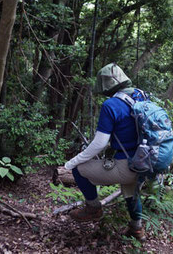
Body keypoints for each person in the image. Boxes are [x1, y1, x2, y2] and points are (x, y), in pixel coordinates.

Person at [64, 62, 145, 241]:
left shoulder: (111, 104)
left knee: (78, 169)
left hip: (127, 165)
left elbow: (99, 143)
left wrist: (71, 162)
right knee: (131, 190)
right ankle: (137, 229)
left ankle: (93, 208)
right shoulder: (141, 96)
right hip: (146, 162)